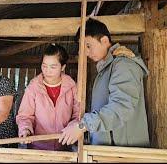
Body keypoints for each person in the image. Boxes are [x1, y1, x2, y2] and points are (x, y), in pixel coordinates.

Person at [59, 18, 150, 147]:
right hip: (109, 150)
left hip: (124, 152)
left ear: (105, 41)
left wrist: (82, 125)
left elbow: (121, 107)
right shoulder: (105, 70)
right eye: (83, 48)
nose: (86, 52)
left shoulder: (124, 65)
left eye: (89, 46)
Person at [16, 44, 80, 151]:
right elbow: (24, 116)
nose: (47, 71)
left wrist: (73, 127)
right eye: (44, 66)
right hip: (37, 148)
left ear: (63, 67)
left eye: (53, 67)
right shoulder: (34, 87)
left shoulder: (72, 87)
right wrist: (25, 129)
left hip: (65, 147)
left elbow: (78, 115)